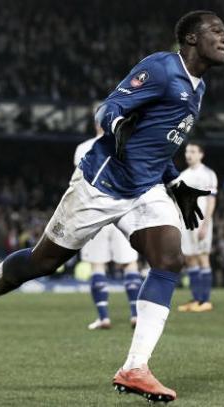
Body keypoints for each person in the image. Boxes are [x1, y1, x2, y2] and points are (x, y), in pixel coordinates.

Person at [0, 10, 224, 403]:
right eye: (215, 31)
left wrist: (174, 181)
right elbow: (108, 108)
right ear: (191, 39)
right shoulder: (162, 68)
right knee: (42, 262)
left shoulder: (198, 88)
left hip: (143, 190)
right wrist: (117, 125)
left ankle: (134, 368)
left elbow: (158, 145)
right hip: (102, 182)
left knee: (169, 259)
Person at [74, 115, 141, 330]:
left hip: (95, 213)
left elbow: (79, 183)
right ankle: (135, 315)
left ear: (96, 123)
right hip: (123, 210)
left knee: (97, 264)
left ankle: (104, 317)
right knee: (130, 262)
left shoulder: (83, 148)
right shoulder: (127, 145)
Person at [176, 142, 218, 313]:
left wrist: (206, 225)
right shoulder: (182, 175)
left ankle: (205, 300)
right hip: (186, 221)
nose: (189, 155)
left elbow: (211, 200)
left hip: (200, 221)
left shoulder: (208, 174)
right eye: (187, 151)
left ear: (201, 154)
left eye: (193, 151)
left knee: (203, 257)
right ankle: (196, 299)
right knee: (190, 258)